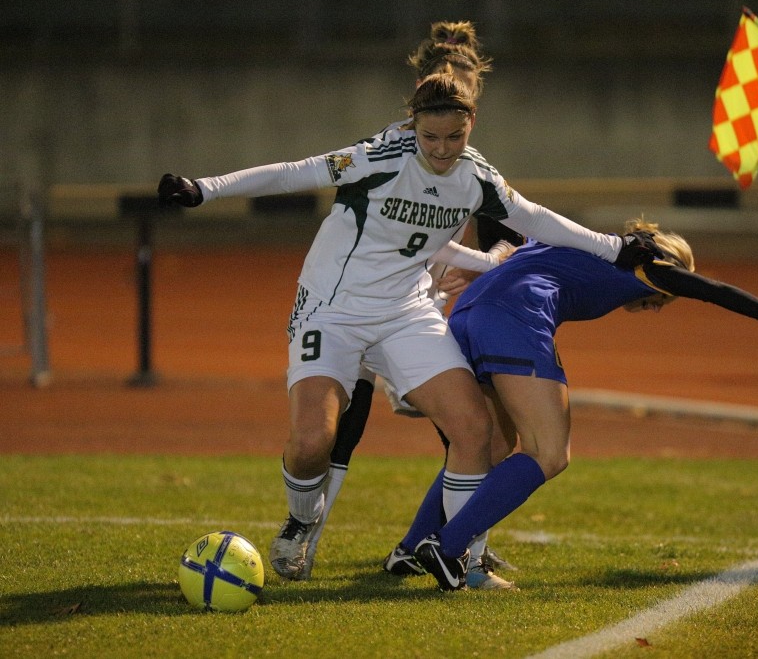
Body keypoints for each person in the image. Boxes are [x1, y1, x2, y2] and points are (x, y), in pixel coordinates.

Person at [158, 71, 658, 583]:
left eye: (454, 137)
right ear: (413, 124)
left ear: (471, 123)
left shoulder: (477, 177)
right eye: (430, 137)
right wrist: (204, 189)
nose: (441, 150)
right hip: (331, 309)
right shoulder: (377, 157)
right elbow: (293, 173)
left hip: (405, 313)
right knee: (312, 443)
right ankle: (302, 519)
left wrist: (613, 248)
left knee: (474, 429)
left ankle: (460, 558)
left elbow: (533, 218)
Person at [390, 219, 758, 590]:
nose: (656, 306)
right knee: (549, 453)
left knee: (490, 447)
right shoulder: (647, 264)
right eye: (662, 300)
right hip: (515, 318)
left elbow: (507, 224)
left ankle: (411, 548)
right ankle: (448, 549)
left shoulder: (584, 243)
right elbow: (713, 289)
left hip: (467, 313)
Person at [303, 20, 523, 587]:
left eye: (465, 90)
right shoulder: (391, 150)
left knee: (474, 432)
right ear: (424, 89)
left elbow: (505, 238)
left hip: (420, 316)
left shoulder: (471, 165)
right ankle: (306, 541)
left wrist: (486, 260)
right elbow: (383, 228)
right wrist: (447, 259)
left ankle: (454, 548)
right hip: (362, 304)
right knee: (345, 419)